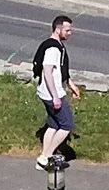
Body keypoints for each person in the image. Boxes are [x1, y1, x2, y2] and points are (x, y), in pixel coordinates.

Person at [30, 15, 77, 171]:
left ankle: (44, 157)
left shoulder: (56, 45)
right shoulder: (53, 49)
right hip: (53, 94)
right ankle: (46, 157)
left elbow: (61, 70)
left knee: (53, 124)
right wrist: (55, 97)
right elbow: (47, 72)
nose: (70, 33)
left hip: (48, 93)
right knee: (66, 125)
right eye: (67, 30)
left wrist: (70, 84)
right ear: (58, 29)